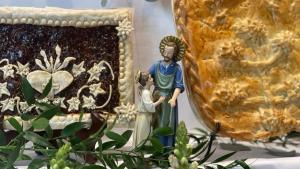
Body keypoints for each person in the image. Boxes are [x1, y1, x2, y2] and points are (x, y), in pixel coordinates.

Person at [149, 36, 186, 147]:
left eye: (169, 53)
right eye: (165, 51)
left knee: (166, 124)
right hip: (156, 96)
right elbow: (147, 77)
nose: (166, 54)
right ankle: (155, 148)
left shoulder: (176, 68)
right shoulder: (157, 65)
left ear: (174, 54)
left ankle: (166, 149)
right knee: (155, 122)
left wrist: (174, 98)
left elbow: (178, 86)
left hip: (169, 99)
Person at [133, 71, 165, 147]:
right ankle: (143, 151)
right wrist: (159, 101)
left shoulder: (143, 91)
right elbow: (149, 107)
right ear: (146, 81)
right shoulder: (146, 93)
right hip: (145, 118)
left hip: (143, 117)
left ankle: (142, 150)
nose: (152, 79)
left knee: (143, 134)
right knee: (144, 135)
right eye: (150, 78)